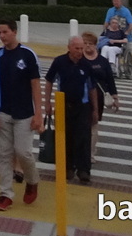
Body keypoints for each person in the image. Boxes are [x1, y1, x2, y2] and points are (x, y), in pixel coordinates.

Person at [0, 18, 42, 210]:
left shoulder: (27, 55)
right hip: (4, 111)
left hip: (25, 113)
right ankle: (5, 194)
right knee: (4, 154)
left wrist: (39, 113)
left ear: (14, 32)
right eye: (0, 33)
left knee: (23, 152)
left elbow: (35, 84)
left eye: (5, 32)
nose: (2, 36)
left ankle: (32, 180)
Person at [45, 36, 97, 184]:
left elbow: (92, 88)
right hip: (64, 106)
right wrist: (47, 103)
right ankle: (67, 168)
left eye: (82, 48)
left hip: (82, 107)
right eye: (77, 48)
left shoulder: (86, 65)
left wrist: (94, 110)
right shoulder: (59, 62)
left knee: (83, 139)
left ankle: (84, 171)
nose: (80, 51)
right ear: (69, 48)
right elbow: (49, 81)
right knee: (65, 138)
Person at [78, 33, 120, 164]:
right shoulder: (78, 60)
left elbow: (110, 80)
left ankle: (90, 153)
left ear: (96, 45)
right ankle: (80, 151)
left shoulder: (102, 61)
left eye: (91, 43)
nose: (88, 46)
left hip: (99, 97)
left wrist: (115, 97)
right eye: (85, 43)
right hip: (81, 97)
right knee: (81, 126)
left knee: (93, 125)